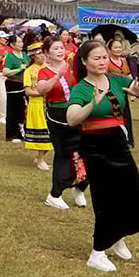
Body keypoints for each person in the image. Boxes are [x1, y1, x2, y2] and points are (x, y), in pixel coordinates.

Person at [66, 40, 139, 272]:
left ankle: (117, 236)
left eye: (104, 57)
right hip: (95, 145)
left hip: (118, 143)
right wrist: (91, 104)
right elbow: (72, 118)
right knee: (106, 198)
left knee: (131, 193)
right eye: (96, 58)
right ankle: (97, 252)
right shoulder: (81, 88)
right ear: (84, 61)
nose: (102, 62)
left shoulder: (117, 80)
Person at [34, 36, 87, 209]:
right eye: (55, 48)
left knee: (87, 151)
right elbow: (42, 89)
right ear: (47, 53)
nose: (60, 51)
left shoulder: (72, 67)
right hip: (58, 116)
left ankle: (80, 187)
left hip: (77, 111)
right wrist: (58, 74)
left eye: (61, 48)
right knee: (64, 154)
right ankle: (55, 194)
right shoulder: (44, 71)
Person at [106, 37, 139, 147]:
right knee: (116, 117)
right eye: (116, 47)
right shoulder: (107, 62)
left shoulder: (124, 62)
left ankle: (127, 140)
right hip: (112, 94)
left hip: (124, 94)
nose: (118, 49)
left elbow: (129, 77)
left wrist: (133, 90)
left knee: (126, 116)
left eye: (120, 47)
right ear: (110, 49)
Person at [22, 36, 53, 168]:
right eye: (39, 54)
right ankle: (40, 160)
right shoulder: (29, 71)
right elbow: (28, 91)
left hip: (50, 104)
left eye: (42, 53)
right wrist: (42, 93)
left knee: (52, 133)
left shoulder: (49, 68)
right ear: (33, 56)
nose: (42, 56)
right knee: (42, 133)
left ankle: (40, 157)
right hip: (37, 104)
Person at [2, 34, 28, 142]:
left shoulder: (25, 55)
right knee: (12, 109)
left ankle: (22, 131)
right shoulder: (10, 57)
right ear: (13, 45)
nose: (21, 44)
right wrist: (19, 69)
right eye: (19, 42)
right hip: (13, 84)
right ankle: (12, 134)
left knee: (22, 109)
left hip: (24, 84)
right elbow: (5, 72)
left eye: (22, 41)